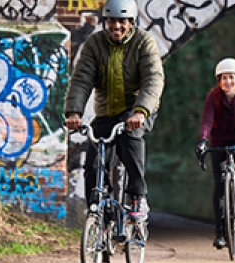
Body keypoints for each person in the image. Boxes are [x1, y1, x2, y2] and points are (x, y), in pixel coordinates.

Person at [64, 0, 164, 222]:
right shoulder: (95, 44)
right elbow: (81, 80)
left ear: (131, 22)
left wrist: (141, 111)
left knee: (130, 135)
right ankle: (99, 212)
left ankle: (138, 197)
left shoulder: (143, 42)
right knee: (93, 162)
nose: (116, 26)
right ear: (105, 21)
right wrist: (74, 111)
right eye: (111, 21)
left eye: (122, 21)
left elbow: (153, 79)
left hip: (137, 111)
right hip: (106, 113)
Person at [195, 58, 235, 249]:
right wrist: (202, 141)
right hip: (220, 139)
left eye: (231, 78)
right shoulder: (213, 97)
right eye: (224, 78)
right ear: (219, 80)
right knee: (219, 186)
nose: (228, 82)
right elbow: (207, 120)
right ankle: (221, 233)